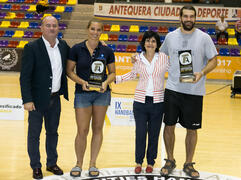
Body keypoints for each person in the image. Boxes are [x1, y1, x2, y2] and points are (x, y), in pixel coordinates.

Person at [159, 5, 217, 178]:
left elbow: (214, 61)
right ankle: (170, 160)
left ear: (195, 18)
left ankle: (188, 163)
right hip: (172, 89)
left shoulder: (204, 38)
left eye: (192, 16)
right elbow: (159, 56)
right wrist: (137, 58)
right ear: (180, 18)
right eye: (186, 16)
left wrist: (202, 72)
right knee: (168, 126)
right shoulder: (170, 37)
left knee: (192, 130)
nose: (189, 19)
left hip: (194, 91)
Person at [19, 16, 69, 179]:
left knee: (53, 132)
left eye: (54, 25)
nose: (52, 28)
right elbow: (25, 77)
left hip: (55, 99)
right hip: (36, 100)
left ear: (58, 28)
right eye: (48, 25)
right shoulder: (32, 47)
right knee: (34, 134)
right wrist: (27, 99)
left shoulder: (63, 46)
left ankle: (51, 163)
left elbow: (79, 52)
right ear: (41, 28)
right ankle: (36, 165)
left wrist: (101, 44)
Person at [67, 18, 116, 177]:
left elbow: (113, 73)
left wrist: (105, 82)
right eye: (93, 29)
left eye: (98, 30)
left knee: (97, 129)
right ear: (87, 29)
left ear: (102, 32)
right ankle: (78, 164)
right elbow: (69, 71)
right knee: (82, 130)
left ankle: (93, 163)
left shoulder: (107, 51)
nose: (95, 32)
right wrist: (81, 82)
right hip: (82, 94)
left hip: (101, 94)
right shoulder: (76, 48)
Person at [116, 31, 169, 174]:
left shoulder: (164, 58)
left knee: (154, 133)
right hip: (140, 102)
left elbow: (174, 72)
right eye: (147, 41)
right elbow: (133, 74)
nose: (150, 43)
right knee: (140, 133)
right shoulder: (138, 58)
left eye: (153, 41)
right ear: (143, 43)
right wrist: (115, 79)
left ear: (157, 44)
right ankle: (138, 161)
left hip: (158, 102)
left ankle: (150, 162)